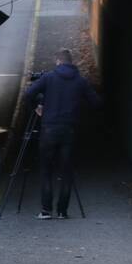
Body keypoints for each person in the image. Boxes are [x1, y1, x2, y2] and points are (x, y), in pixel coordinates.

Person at [23, 49, 101, 219]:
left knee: (46, 170)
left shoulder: (48, 77)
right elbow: (96, 102)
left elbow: (28, 94)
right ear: (71, 62)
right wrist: (78, 110)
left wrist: (36, 108)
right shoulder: (80, 81)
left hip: (49, 129)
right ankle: (62, 211)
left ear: (58, 61)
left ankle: (46, 210)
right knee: (66, 172)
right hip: (69, 130)